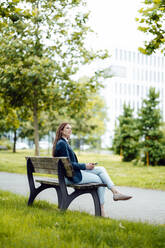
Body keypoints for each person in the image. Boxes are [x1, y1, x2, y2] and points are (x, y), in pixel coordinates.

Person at [52, 122, 132, 216]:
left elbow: (68, 163)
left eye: (71, 128)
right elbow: (69, 164)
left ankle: (115, 192)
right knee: (100, 180)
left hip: (67, 174)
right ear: (61, 131)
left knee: (101, 169)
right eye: (67, 128)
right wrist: (85, 166)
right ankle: (101, 210)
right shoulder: (62, 144)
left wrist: (86, 165)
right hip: (70, 177)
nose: (70, 130)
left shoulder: (62, 142)